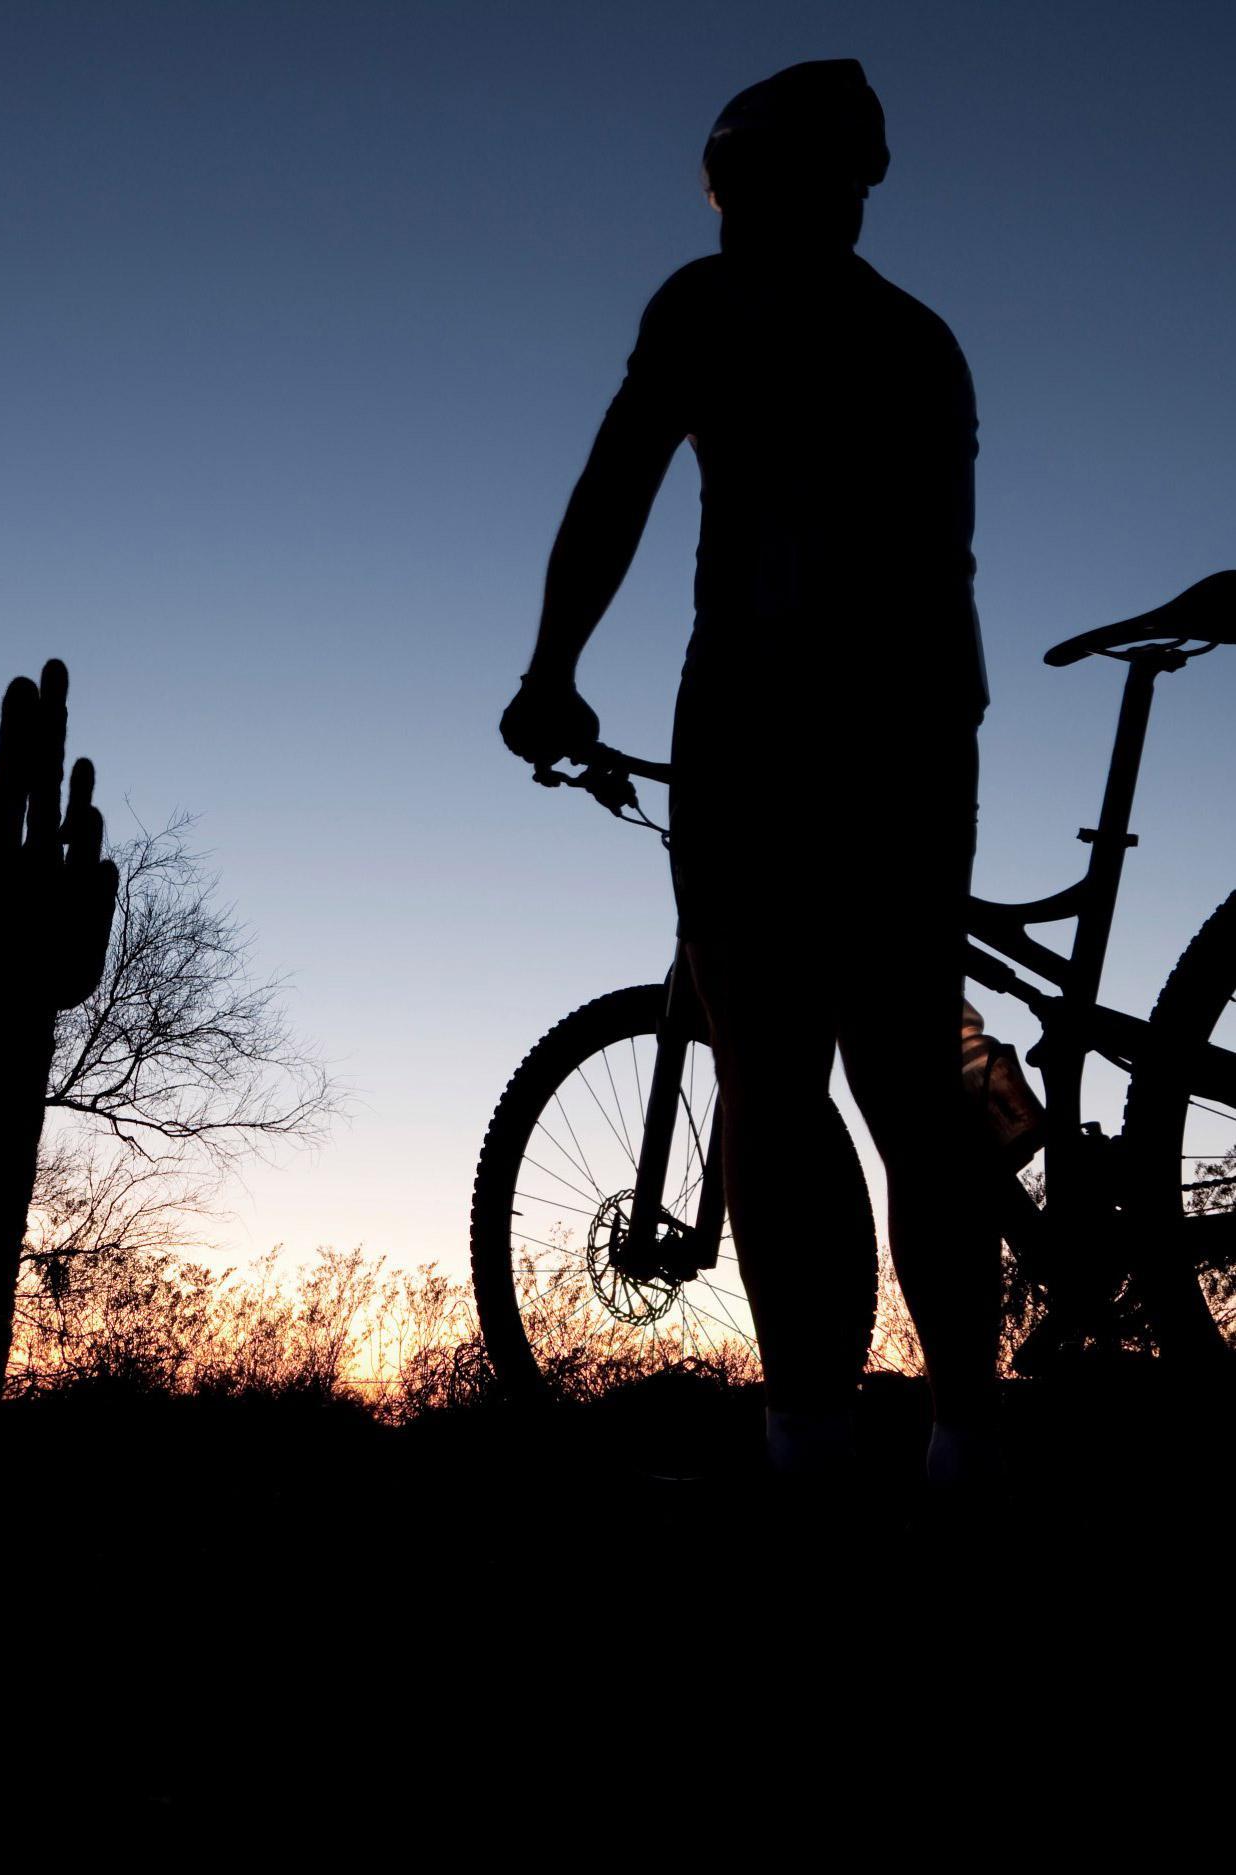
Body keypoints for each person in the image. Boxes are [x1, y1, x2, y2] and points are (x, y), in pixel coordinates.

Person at [500, 59, 1004, 1492]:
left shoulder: (712, 306)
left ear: (764, 186)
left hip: (766, 715)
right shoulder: (921, 337)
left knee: (776, 1087)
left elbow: (617, 484)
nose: (726, 217)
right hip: (916, 730)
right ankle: (967, 1437)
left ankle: (811, 1444)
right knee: (909, 1084)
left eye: (736, 191)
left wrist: (551, 669)